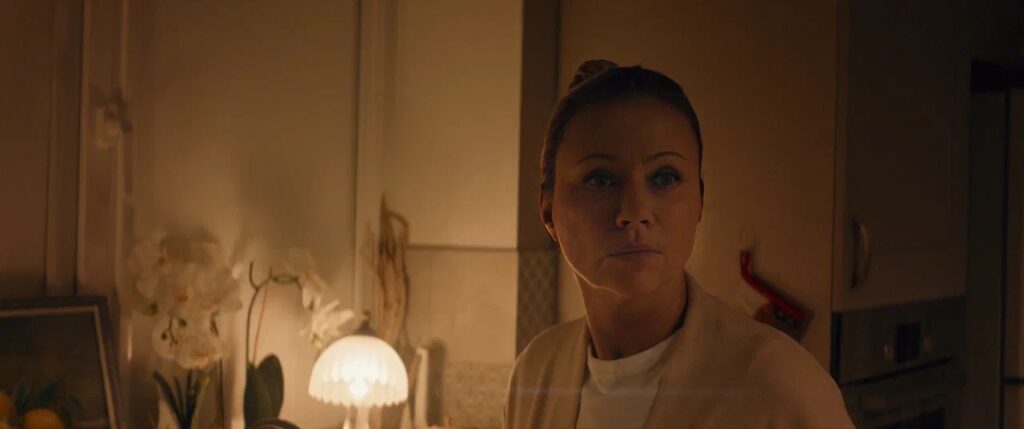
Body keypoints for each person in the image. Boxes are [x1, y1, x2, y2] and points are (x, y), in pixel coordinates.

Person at [504, 60, 854, 429]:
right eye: (601, 179)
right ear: (548, 210)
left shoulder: (779, 385)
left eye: (664, 177)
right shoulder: (535, 376)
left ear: (700, 201)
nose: (634, 212)